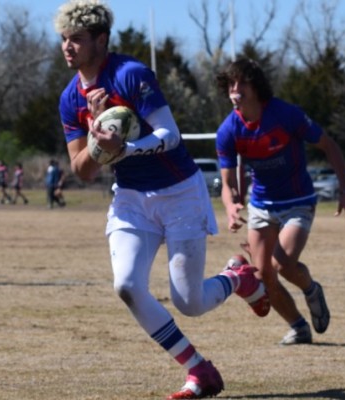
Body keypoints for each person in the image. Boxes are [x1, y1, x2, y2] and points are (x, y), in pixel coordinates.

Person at [54, 2, 269, 398]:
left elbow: (170, 135)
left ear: (101, 40)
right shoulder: (70, 98)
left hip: (179, 192)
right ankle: (198, 369)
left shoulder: (131, 74)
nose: (68, 47)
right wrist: (97, 139)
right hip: (132, 199)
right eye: (64, 39)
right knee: (127, 286)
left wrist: (124, 148)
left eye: (77, 39)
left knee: (189, 302)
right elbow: (82, 170)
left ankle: (237, 279)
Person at [215, 58, 345, 345]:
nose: (235, 89)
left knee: (281, 264)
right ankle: (298, 327)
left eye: (241, 82)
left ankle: (311, 289)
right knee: (263, 275)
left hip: (298, 200)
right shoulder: (228, 131)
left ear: (255, 86)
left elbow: (328, 145)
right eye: (231, 84)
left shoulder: (286, 114)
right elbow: (227, 182)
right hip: (261, 205)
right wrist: (231, 207)